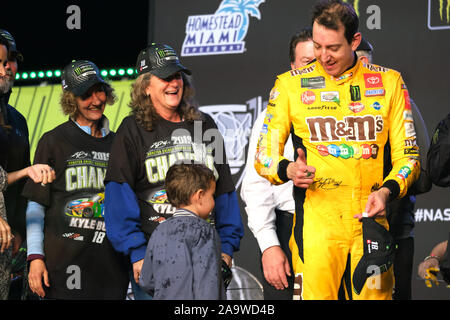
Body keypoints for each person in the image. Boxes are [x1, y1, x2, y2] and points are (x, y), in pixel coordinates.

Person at [254, 0, 420, 300]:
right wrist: (288, 169)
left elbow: (409, 158)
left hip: (371, 224)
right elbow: (263, 156)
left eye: (332, 47)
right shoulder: (289, 86)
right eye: (317, 46)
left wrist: (387, 191)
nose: (323, 56)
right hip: (317, 228)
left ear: (354, 40)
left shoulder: (390, 82)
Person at [104, 43, 244, 300]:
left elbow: (224, 189)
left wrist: (226, 246)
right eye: (165, 77)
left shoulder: (204, 125)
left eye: (177, 75)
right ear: (145, 86)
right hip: (156, 257)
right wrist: (136, 252)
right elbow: (118, 197)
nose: (174, 83)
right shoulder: (131, 130)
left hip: (207, 253)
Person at [22, 60, 130, 299]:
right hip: (62, 270)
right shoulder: (53, 141)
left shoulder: (120, 143)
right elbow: (36, 206)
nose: (96, 100)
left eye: (99, 91)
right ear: (71, 99)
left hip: (111, 270)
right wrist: (36, 258)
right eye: (85, 95)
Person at [354, 37, 432, 300]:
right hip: (348, 227)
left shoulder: (395, 97)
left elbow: (421, 172)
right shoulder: (331, 105)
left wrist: (390, 190)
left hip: (393, 225)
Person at [240, 28, 314, 300]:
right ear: (292, 68)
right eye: (307, 63)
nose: (315, 69)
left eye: (320, 60)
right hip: (289, 228)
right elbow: (256, 186)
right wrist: (269, 246)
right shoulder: (273, 116)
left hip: (340, 227)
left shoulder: (349, 111)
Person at [139, 162, 226, 299]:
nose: (214, 201)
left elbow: (146, 280)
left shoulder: (159, 230)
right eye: (212, 195)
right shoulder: (204, 232)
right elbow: (208, 285)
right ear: (200, 196)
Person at [0, 29, 30, 299]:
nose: (6, 68)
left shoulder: (18, 120)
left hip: (9, 241)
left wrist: (19, 228)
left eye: (10, 60)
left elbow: (23, 187)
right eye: (0, 61)